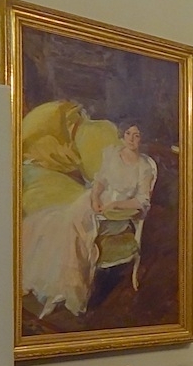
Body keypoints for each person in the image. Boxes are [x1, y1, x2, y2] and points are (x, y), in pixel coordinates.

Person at [22, 118, 158, 318]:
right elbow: (100, 182)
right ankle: (58, 284)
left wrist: (115, 206)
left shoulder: (143, 167)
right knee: (64, 222)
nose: (131, 139)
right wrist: (94, 199)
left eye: (136, 135)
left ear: (142, 139)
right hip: (94, 202)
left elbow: (142, 201)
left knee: (76, 228)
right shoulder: (113, 153)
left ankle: (69, 288)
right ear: (122, 135)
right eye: (128, 134)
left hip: (116, 214)